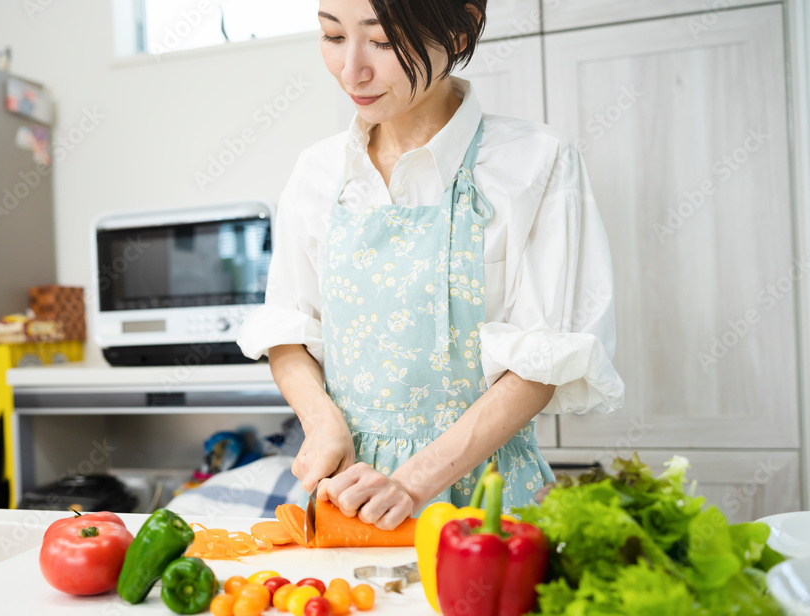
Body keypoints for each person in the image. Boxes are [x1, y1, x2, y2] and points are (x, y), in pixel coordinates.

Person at [237, 0, 625, 529]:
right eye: (332, 37)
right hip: (345, 496)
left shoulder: (536, 161)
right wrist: (322, 421)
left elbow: (540, 364)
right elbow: (289, 331)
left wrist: (411, 483)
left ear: (460, 32)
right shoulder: (318, 172)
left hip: (487, 500)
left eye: (382, 39)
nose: (352, 70)